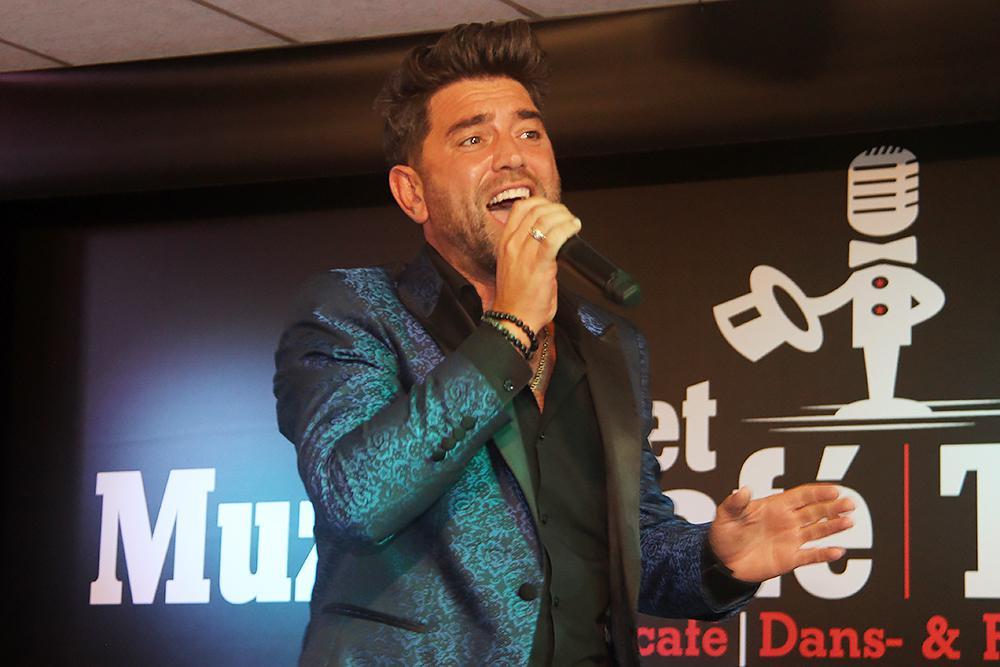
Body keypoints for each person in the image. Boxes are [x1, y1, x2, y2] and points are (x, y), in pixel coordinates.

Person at [274, 20, 853, 666]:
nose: (512, 156)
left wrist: (717, 559)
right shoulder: (354, 309)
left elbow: (629, 547)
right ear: (412, 193)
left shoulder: (608, 341)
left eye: (529, 132)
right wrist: (509, 329)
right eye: (474, 138)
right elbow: (357, 497)